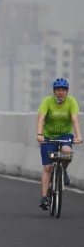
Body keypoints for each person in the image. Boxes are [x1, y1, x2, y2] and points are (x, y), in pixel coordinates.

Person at [36, 78, 82, 210]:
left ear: (67, 91)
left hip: (64, 135)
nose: (60, 93)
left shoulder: (71, 101)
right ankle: (45, 197)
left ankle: (64, 170)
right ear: (54, 91)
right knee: (48, 168)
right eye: (58, 90)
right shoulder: (47, 101)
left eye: (63, 90)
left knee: (67, 151)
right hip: (48, 136)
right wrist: (39, 134)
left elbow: (74, 120)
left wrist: (78, 136)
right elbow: (41, 118)